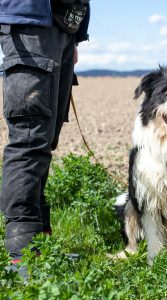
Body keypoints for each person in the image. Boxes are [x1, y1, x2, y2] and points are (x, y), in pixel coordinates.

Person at [0, 0, 90, 265]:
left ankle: (40, 243)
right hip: (30, 18)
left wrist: (73, 36)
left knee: (45, 141)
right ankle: (23, 256)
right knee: (30, 138)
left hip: (62, 24)